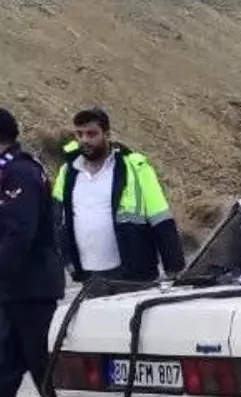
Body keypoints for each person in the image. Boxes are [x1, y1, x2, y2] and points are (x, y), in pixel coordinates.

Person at [52, 108, 185, 287]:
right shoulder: (68, 172)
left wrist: (174, 268)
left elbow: (161, 219)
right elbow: (56, 219)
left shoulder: (136, 168)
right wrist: (66, 260)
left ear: (107, 134)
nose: (84, 140)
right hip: (88, 275)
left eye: (91, 134)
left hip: (133, 273)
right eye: (79, 134)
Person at [0, 108, 67, 397]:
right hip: (12, 287)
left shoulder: (21, 173)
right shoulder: (7, 172)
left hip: (32, 285)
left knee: (41, 361)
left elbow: (19, 233)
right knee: (3, 362)